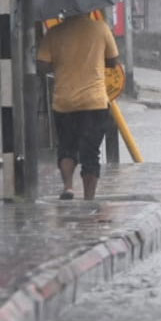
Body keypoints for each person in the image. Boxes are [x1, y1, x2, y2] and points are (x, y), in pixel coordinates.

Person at [36, 12, 121, 200]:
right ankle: (89, 197)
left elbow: (41, 65)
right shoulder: (101, 29)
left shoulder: (54, 33)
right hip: (94, 101)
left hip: (64, 101)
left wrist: (60, 64)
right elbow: (113, 61)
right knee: (91, 152)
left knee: (66, 146)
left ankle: (68, 187)